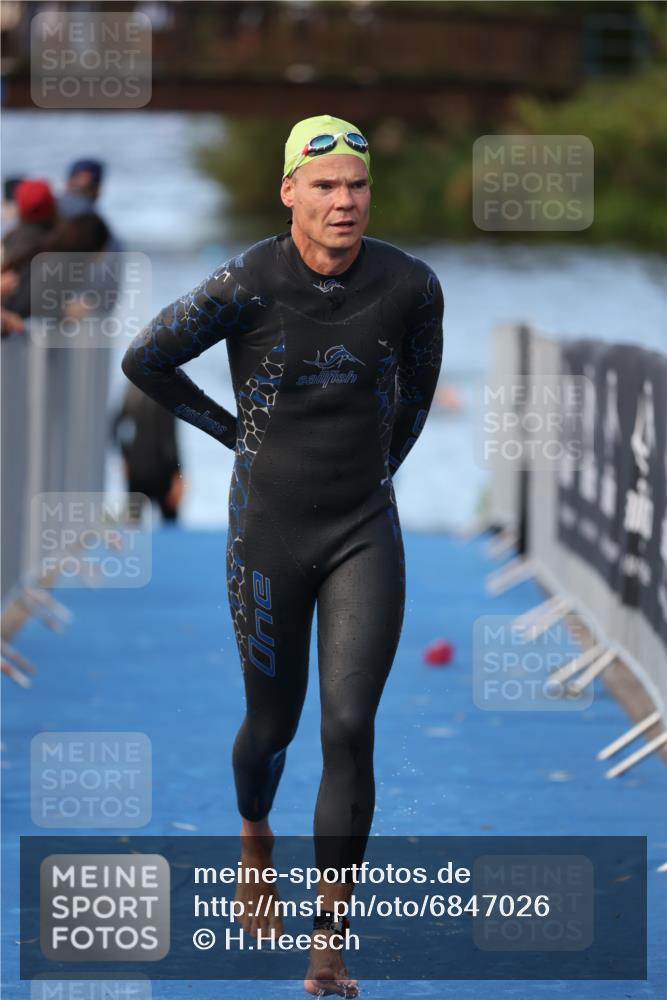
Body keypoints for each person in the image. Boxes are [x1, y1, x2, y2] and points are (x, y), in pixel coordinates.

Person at [121, 114, 444, 997]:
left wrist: (372, 477)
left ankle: (327, 940)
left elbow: (411, 403)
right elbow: (145, 359)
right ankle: (254, 836)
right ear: (289, 193)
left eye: (358, 185)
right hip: (266, 533)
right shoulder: (247, 282)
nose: (344, 202)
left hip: (361, 530)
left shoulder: (410, 285)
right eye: (326, 185)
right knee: (274, 727)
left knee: (349, 727)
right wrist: (236, 436)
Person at [111, 382, 184, 523]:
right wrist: (178, 474)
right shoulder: (167, 391)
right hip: (162, 470)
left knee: (133, 524)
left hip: (137, 468)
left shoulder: (134, 389)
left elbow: (115, 426)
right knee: (169, 526)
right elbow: (169, 440)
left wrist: (125, 457)